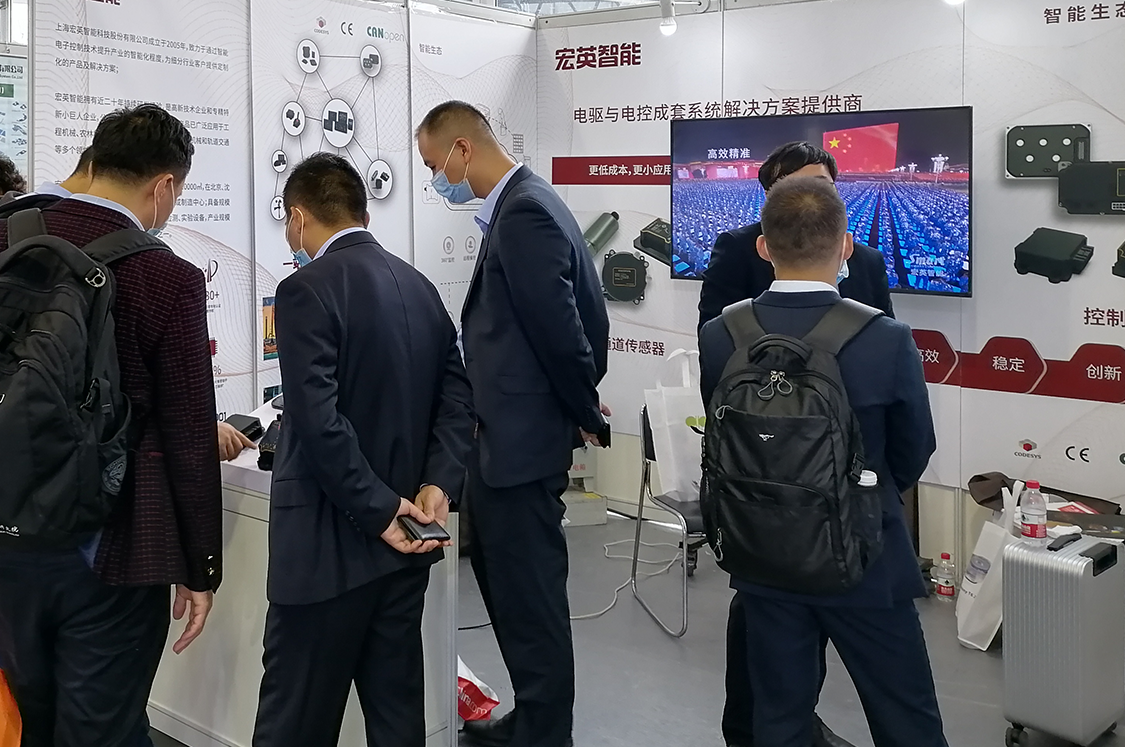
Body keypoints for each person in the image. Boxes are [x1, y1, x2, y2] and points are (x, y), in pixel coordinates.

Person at [0, 104, 222, 746]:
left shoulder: (8, 237)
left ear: (94, 161)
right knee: (103, 725)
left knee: (25, 721)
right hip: (108, 547)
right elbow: (187, 435)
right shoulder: (167, 276)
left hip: (6, 531)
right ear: (164, 186)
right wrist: (201, 566)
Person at [699, 176, 945, 747]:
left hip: (762, 553)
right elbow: (913, 449)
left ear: (764, 247)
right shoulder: (886, 337)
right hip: (866, 558)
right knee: (905, 716)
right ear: (846, 245)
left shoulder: (721, 334)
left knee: (778, 718)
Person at [251, 153, 475, 747]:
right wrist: (438, 482)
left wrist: (379, 510)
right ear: (363, 213)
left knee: (295, 722)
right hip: (409, 544)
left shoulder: (303, 290)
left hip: (328, 553)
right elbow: (457, 399)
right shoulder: (420, 287)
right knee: (396, 717)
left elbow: (317, 421)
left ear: (298, 218)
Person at [416, 101, 610, 747]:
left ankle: (545, 732)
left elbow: (562, 331)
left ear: (462, 149)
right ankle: (534, 719)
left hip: (517, 448)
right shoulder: (527, 202)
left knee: (529, 602)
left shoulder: (524, 210)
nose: (435, 178)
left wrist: (581, 411)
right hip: (511, 439)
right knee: (513, 595)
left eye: (433, 164)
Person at [0, 146, 251, 461]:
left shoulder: (16, 235)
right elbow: (183, 422)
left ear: (93, 170)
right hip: (105, 470)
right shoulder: (170, 275)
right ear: (164, 187)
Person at [698, 141, 893, 332]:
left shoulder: (869, 261)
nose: (809, 196)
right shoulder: (737, 248)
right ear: (768, 195)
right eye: (794, 187)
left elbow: (885, 336)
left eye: (822, 185)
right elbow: (715, 335)